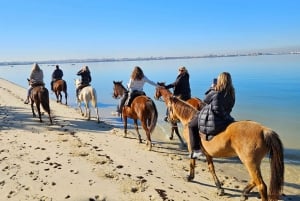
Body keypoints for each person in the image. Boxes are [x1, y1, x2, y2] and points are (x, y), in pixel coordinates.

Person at [188, 72, 235, 159]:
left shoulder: (215, 92)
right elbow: (230, 107)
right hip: (226, 117)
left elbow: (205, 100)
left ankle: (196, 150)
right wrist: (227, 116)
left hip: (214, 118)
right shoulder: (232, 93)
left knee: (191, 125)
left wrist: (211, 88)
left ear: (220, 80)